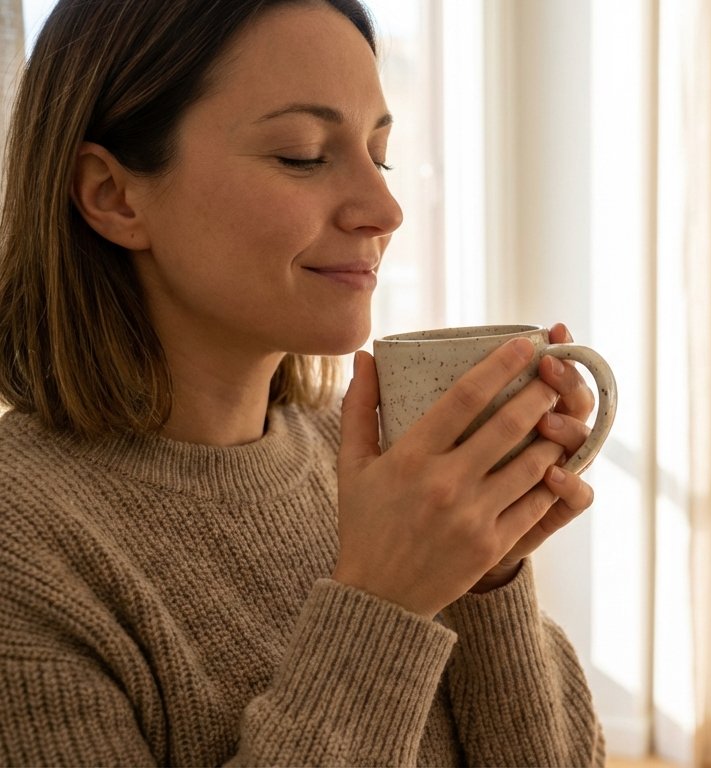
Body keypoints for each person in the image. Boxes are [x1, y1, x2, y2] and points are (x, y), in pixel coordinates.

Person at [0, 0, 605, 764]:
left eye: (379, 155)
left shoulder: (364, 465)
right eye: (302, 154)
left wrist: (486, 576)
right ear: (113, 195)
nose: (385, 209)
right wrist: (382, 605)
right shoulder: (21, 548)